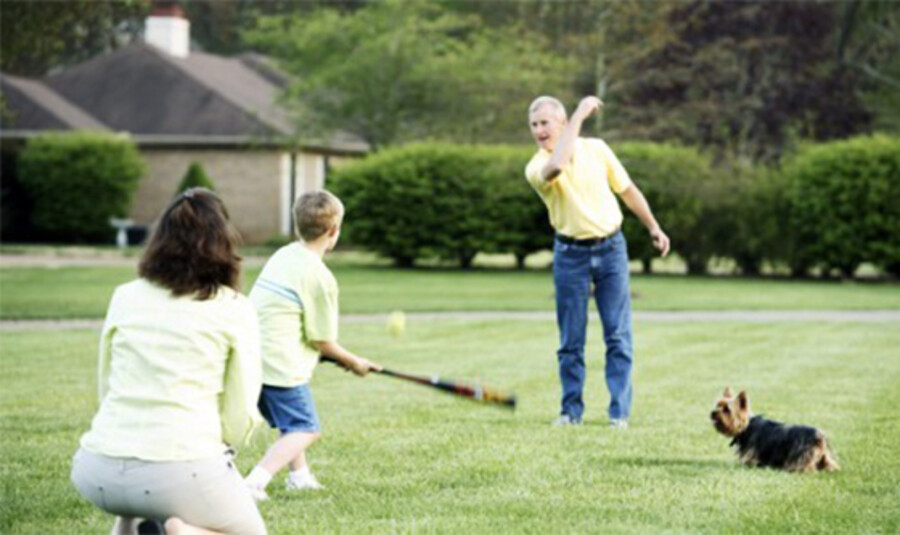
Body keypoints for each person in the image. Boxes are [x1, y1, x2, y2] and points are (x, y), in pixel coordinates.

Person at [71, 188, 266, 535]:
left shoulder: (125, 296)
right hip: (180, 468)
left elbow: (107, 383)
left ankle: (142, 521)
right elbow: (242, 410)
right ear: (224, 244)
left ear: (158, 240)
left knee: (141, 503)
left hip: (96, 469)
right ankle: (181, 531)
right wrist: (222, 449)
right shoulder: (234, 307)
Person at [525, 95, 670, 429]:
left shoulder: (597, 149)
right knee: (571, 341)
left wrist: (653, 226)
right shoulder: (536, 166)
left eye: (545, 123)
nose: (539, 131)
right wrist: (580, 113)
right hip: (569, 255)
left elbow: (628, 190)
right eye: (534, 125)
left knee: (618, 336)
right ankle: (570, 412)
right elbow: (557, 166)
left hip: (611, 250)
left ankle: (619, 414)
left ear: (560, 123)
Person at [244, 190, 380, 500]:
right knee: (305, 428)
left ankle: (300, 476)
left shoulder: (283, 255)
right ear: (334, 232)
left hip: (253, 358)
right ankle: (253, 482)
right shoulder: (320, 277)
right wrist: (354, 362)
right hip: (279, 365)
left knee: (292, 426)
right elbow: (323, 341)